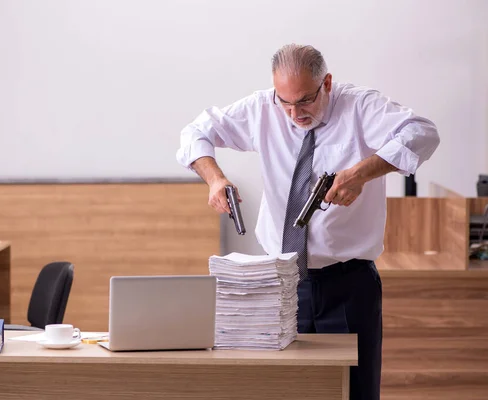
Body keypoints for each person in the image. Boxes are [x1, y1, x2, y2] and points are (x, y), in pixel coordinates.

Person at [176, 43, 440, 400]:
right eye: (284, 101)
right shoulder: (262, 108)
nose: (294, 113)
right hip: (279, 281)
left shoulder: (360, 106)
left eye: (304, 100)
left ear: (326, 83)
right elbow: (195, 132)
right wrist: (214, 178)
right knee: (284, 390)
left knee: (355, 391)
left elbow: (422, 133)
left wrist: (361, 173)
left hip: (348, 284)